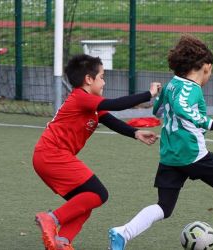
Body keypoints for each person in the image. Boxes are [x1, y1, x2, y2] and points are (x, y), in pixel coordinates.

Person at [108, 35, 213, 250]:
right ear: (205, 67)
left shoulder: (171, 85)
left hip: (170, 155)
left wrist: (163, 98)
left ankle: (122, 232)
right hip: (193, 153)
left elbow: (157, 110)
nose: (210, 75)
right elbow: (181, 107)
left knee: (164, 207)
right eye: (210, 70)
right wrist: (211, 123)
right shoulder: (191, 88)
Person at [33, 54, 161, 250]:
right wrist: (149, 94)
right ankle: (51, 219)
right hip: (52, 154)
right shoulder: (81, 98)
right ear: (88, 79)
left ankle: (61, 243)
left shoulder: (90, 103)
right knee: (98, 193)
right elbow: (116, 104)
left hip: (48, 156)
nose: (104, 81)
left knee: (86, 201)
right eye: (101, 76)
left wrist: (135, 133)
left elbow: (111, 120)